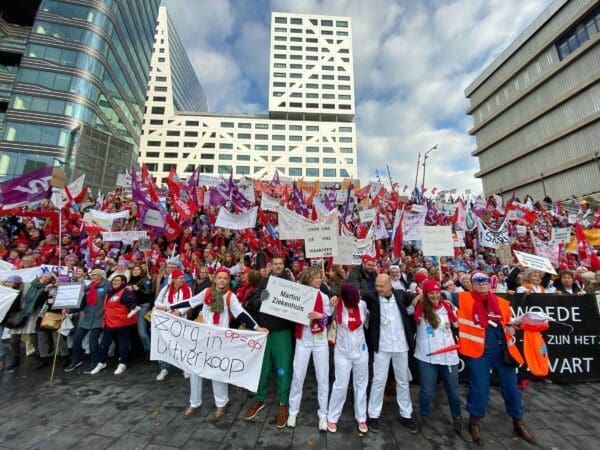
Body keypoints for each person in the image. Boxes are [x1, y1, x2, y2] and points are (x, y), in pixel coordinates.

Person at [160, 267, 267, 419]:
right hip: (202, 338)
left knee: (218, 372)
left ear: (228, 280)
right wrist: (168, 307)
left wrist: (257, 327)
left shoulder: (230, 296)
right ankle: (194, 403)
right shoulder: (206, 293)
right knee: (194, 370)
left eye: (225, 278)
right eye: (220, 277)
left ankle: (221, 404)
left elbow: (241, 314)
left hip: (219, 341)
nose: (222, 280)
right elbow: (189, 302)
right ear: (215, 279)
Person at [458, 271, 536, 445]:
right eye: (477, 281)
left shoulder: (502, 303)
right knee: (480, 390)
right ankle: (474, 422)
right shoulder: (463, 299)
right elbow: (437, 295)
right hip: (478, 352)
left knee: (512, 388)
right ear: (471, 284)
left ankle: (518, 421)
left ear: (490, 283)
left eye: (484, 280)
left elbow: (508, 325)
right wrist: (420, 296)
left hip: (502, 351)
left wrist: (513, 327)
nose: (481, 283)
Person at [414, 279, 470, 442]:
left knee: (453, 391)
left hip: (448, 355)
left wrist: (449, 300)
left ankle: (457, 421)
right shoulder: (420, 307)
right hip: (427, 356)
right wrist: (418, 297)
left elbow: (456, 322)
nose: (435, 295)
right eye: (431, 293)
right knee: (427, 390)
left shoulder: (447, 306)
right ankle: (424, 419)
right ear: (425, 293)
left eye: (437, 292)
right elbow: (411, 312)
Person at [363, 273, 419, 434]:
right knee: (379, 380)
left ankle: (406, 414)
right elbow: (352, 292)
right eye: (377, 285)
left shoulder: (401, 295)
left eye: (381, 286)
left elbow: (419, 295)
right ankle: (373, 414)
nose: (378, 288)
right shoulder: (372, 297)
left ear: (390, 285)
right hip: (382, 347)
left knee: (402, 381)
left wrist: (420, 295)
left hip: (401, 346)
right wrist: (334, 296)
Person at [244, 255, 295, 428]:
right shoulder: (264, 282)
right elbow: (250, 304)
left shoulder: (291, 283)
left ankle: (283, 403)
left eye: (281, 263)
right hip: (265, 332)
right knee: (262, 368)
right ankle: (259, 399)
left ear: (284, 265)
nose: (278, 266)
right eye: (275, 264)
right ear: (271, 266)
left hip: (283, 332)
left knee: (283, 369)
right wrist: (261, 299)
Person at [287, 267, 333, 431]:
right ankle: (293, 411)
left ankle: (323, 414)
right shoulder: (299, 294)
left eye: (320, 277)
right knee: (298, 375)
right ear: (307, 279)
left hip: (320, 339)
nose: (320, 280)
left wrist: (321, 317)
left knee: (322, 377)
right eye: (316, 277)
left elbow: (328, 318)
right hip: (303, 339)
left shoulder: (324, 297)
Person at [326, 283, 369, 434]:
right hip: (342, 351)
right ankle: (332, 416)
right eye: (349, 302)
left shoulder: (362, 305)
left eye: (355, 301)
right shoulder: (335, 305)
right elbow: (322, 312)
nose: (352, 305)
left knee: (361, 384)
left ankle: (361, 416)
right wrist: (331, 298)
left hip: (361, 350)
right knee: (341, 385)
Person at [5, 272, 54, 371]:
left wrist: (45, 291)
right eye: (45, 276)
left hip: (34, 313)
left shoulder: (48, 288)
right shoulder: (28, 284)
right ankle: (16, 358)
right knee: (14, 339)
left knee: (34, 338)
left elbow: (43, 301)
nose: (45, 279)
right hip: (21, 313)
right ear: (40, 276)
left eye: (48, 278)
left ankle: (40, 358)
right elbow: (16, 289)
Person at [89, 275, 137, 375]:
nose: (115, 282)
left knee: (123, 344)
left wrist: (133, 309)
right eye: (114, 280)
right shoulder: (109, 291)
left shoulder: (126, 292)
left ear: (123, 282)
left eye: (118, 280)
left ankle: (122, 363)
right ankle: (102, 362)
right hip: (109, 323)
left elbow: (132, 304)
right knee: (104, 344)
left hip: (122, 323)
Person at [64, 269, 110, 373]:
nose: (92, 277)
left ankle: (96, 362)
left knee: (93, 341)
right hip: (88, 316)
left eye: (95, 275)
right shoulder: (89, 287)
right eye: (92, 275)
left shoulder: (106, 285)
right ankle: (76, 359)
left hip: (99, 316)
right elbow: (83, 303)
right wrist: (70, 310)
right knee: (77, 338)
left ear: (101, 276)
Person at [154, 268, 193, 380]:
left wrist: (179, 311)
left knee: (181, 344)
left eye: (183, 278)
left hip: (180, 320)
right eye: (180, 278)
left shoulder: (187, 289)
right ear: (174, 279)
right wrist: (161, 308)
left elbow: (188, 303)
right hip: (166, 320)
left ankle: (185, 367)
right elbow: (158, 301)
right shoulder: (166, 288)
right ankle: (164, 368)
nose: (183, 280)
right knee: (164, 343)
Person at [127, 265, 154, 355]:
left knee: (142, 331)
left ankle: (149, 351)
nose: (135, 271)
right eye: (134, 269)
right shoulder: (129, 281)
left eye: (138, 269)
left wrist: (138, 289)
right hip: (132, 307)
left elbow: (148, 294)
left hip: (143, 306)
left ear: (141, 271)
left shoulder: (145, 280)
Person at [0, 275, 24, 371]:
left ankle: (3, 359)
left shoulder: (18, 294)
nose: (8, 284)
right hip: (3, 317)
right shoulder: (3, 292)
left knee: (14, 340)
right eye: (7, 282)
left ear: (16, 283)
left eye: (11, 282)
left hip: (9, 319)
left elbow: (17, 307)